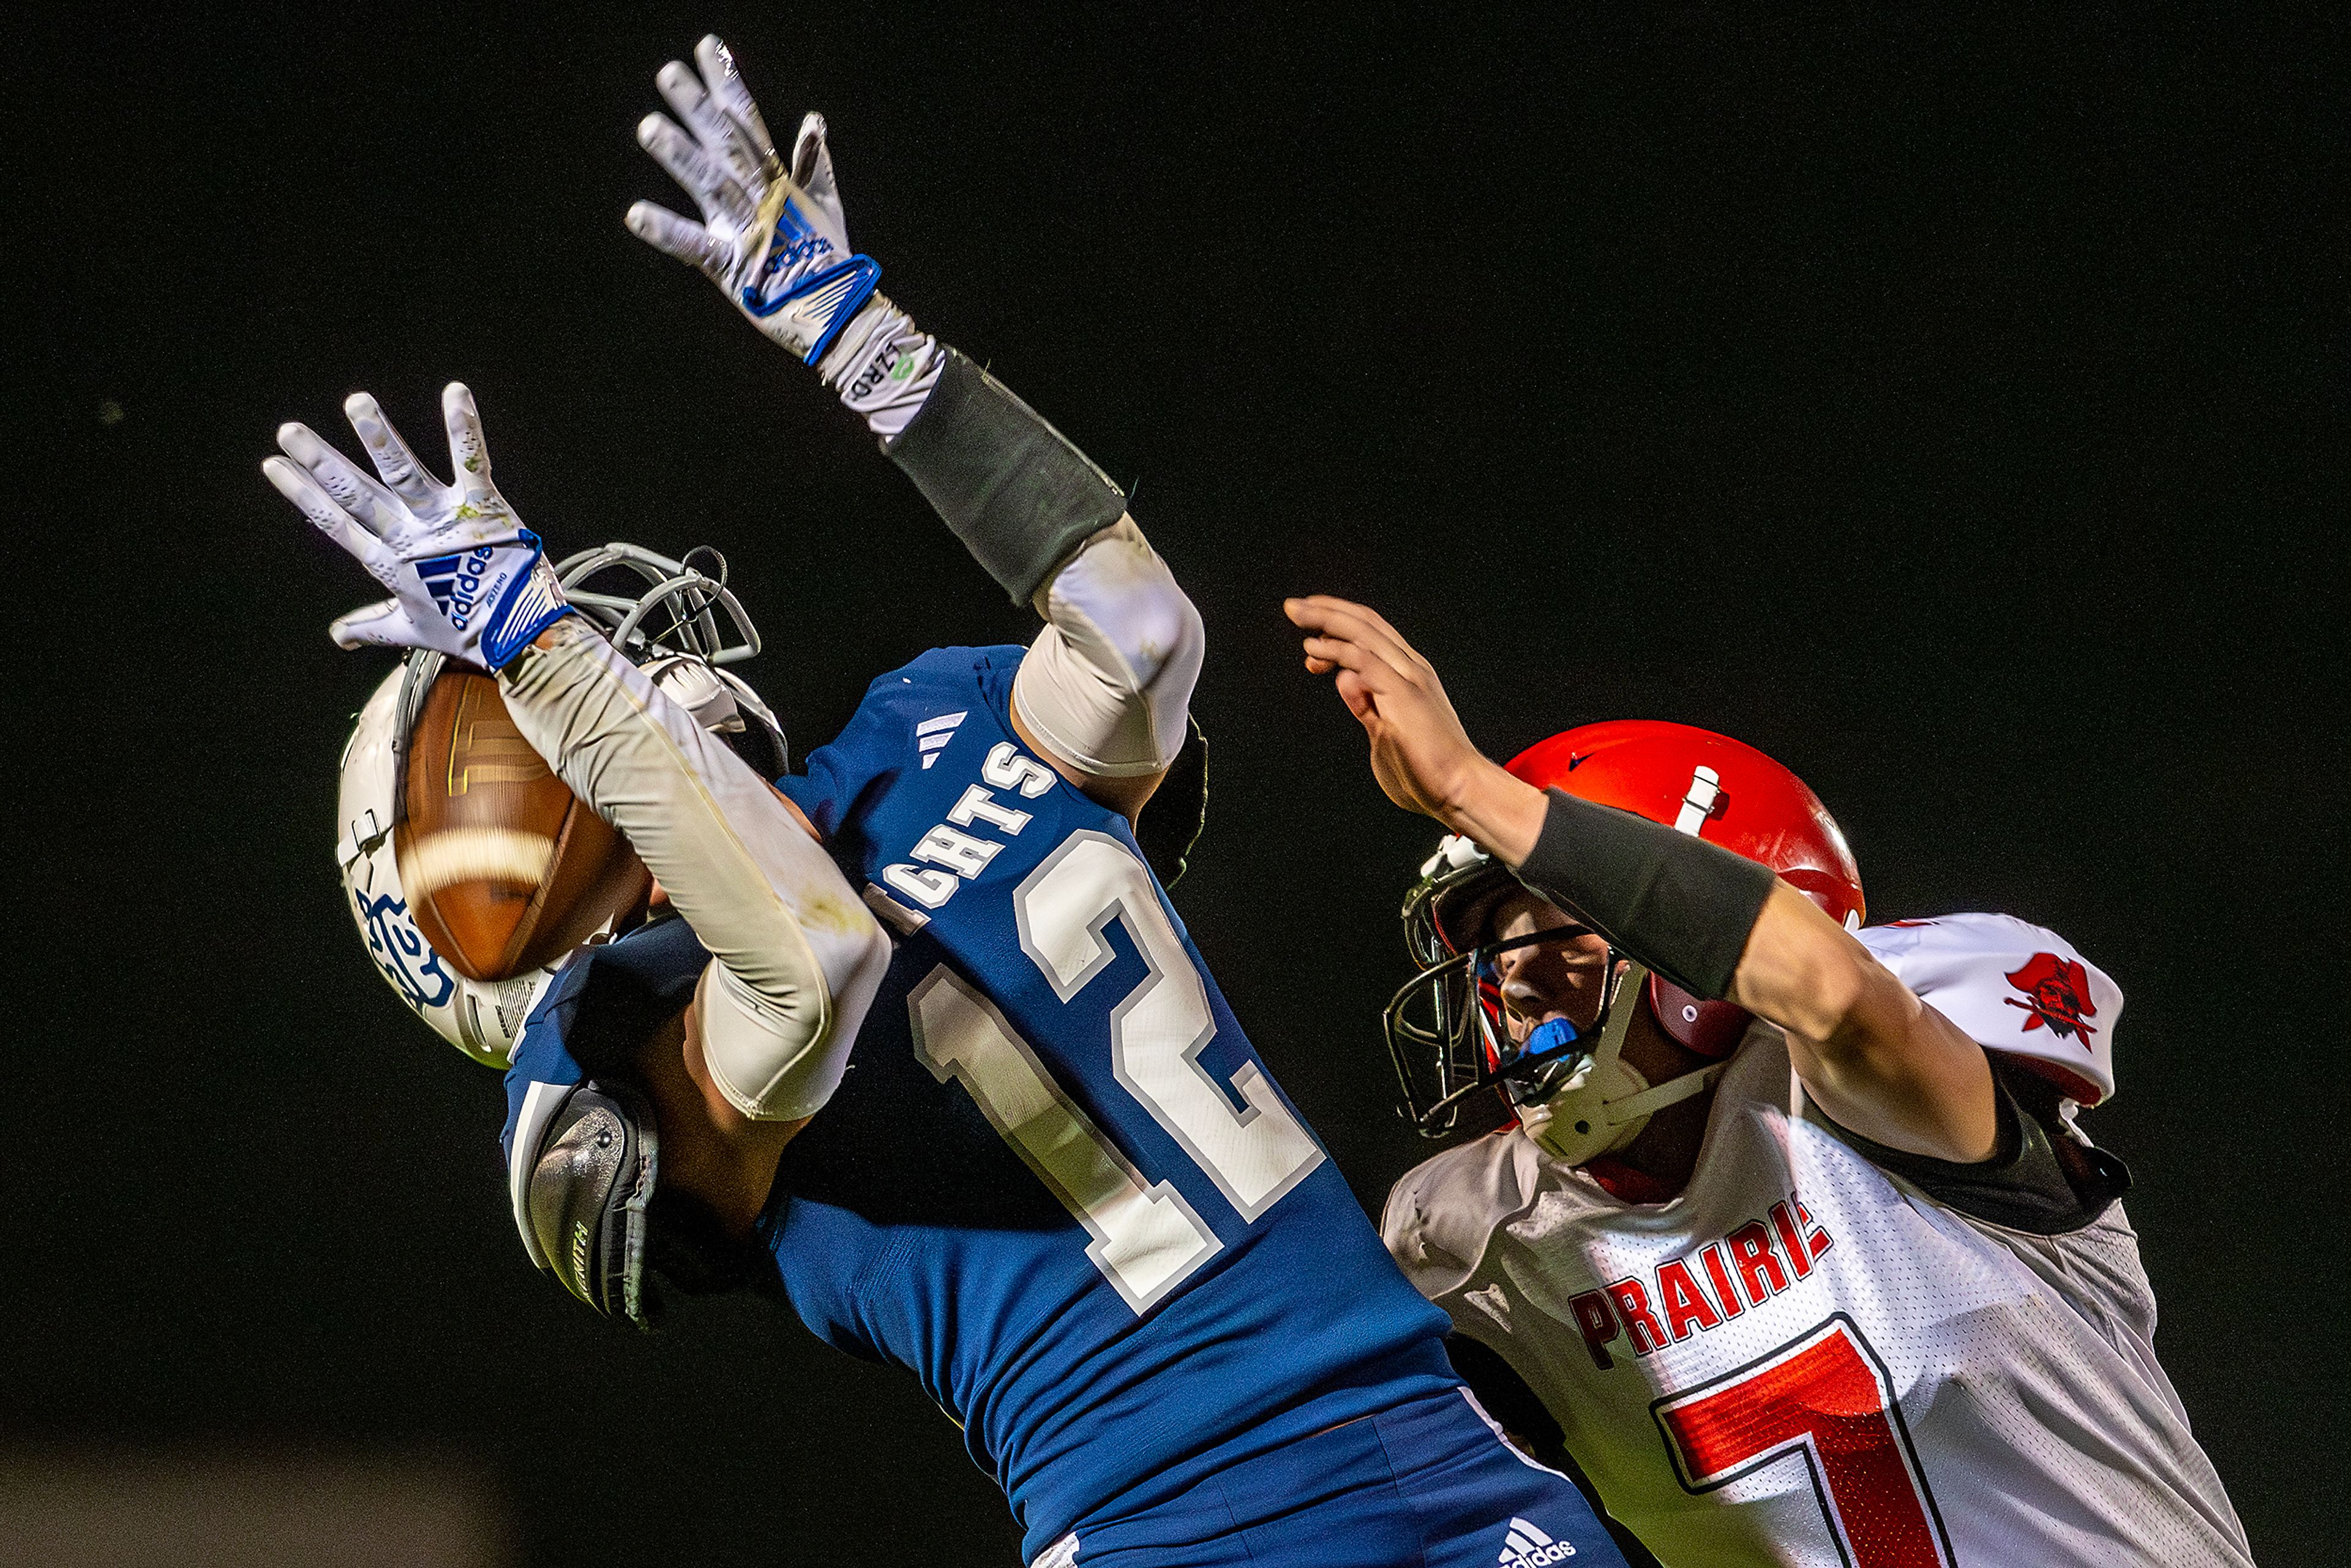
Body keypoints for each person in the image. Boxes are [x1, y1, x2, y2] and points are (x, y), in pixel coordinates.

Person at [266, 39, 1634, 1568]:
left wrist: (863, 338)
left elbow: (1143, 639)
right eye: (537, 702)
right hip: (1171, 1528)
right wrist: (545, 660)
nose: (605, 675)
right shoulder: (601, 1053)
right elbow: (816, 960)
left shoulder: (926, 719)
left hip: (1423, 1433)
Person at [1283, 593, 2254, 1566]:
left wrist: (1467, 787)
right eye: (1498, 954)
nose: (1518, 980)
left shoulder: (1878, 1089)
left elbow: (1830, 988)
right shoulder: (1482, 1237)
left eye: (1561, 934)